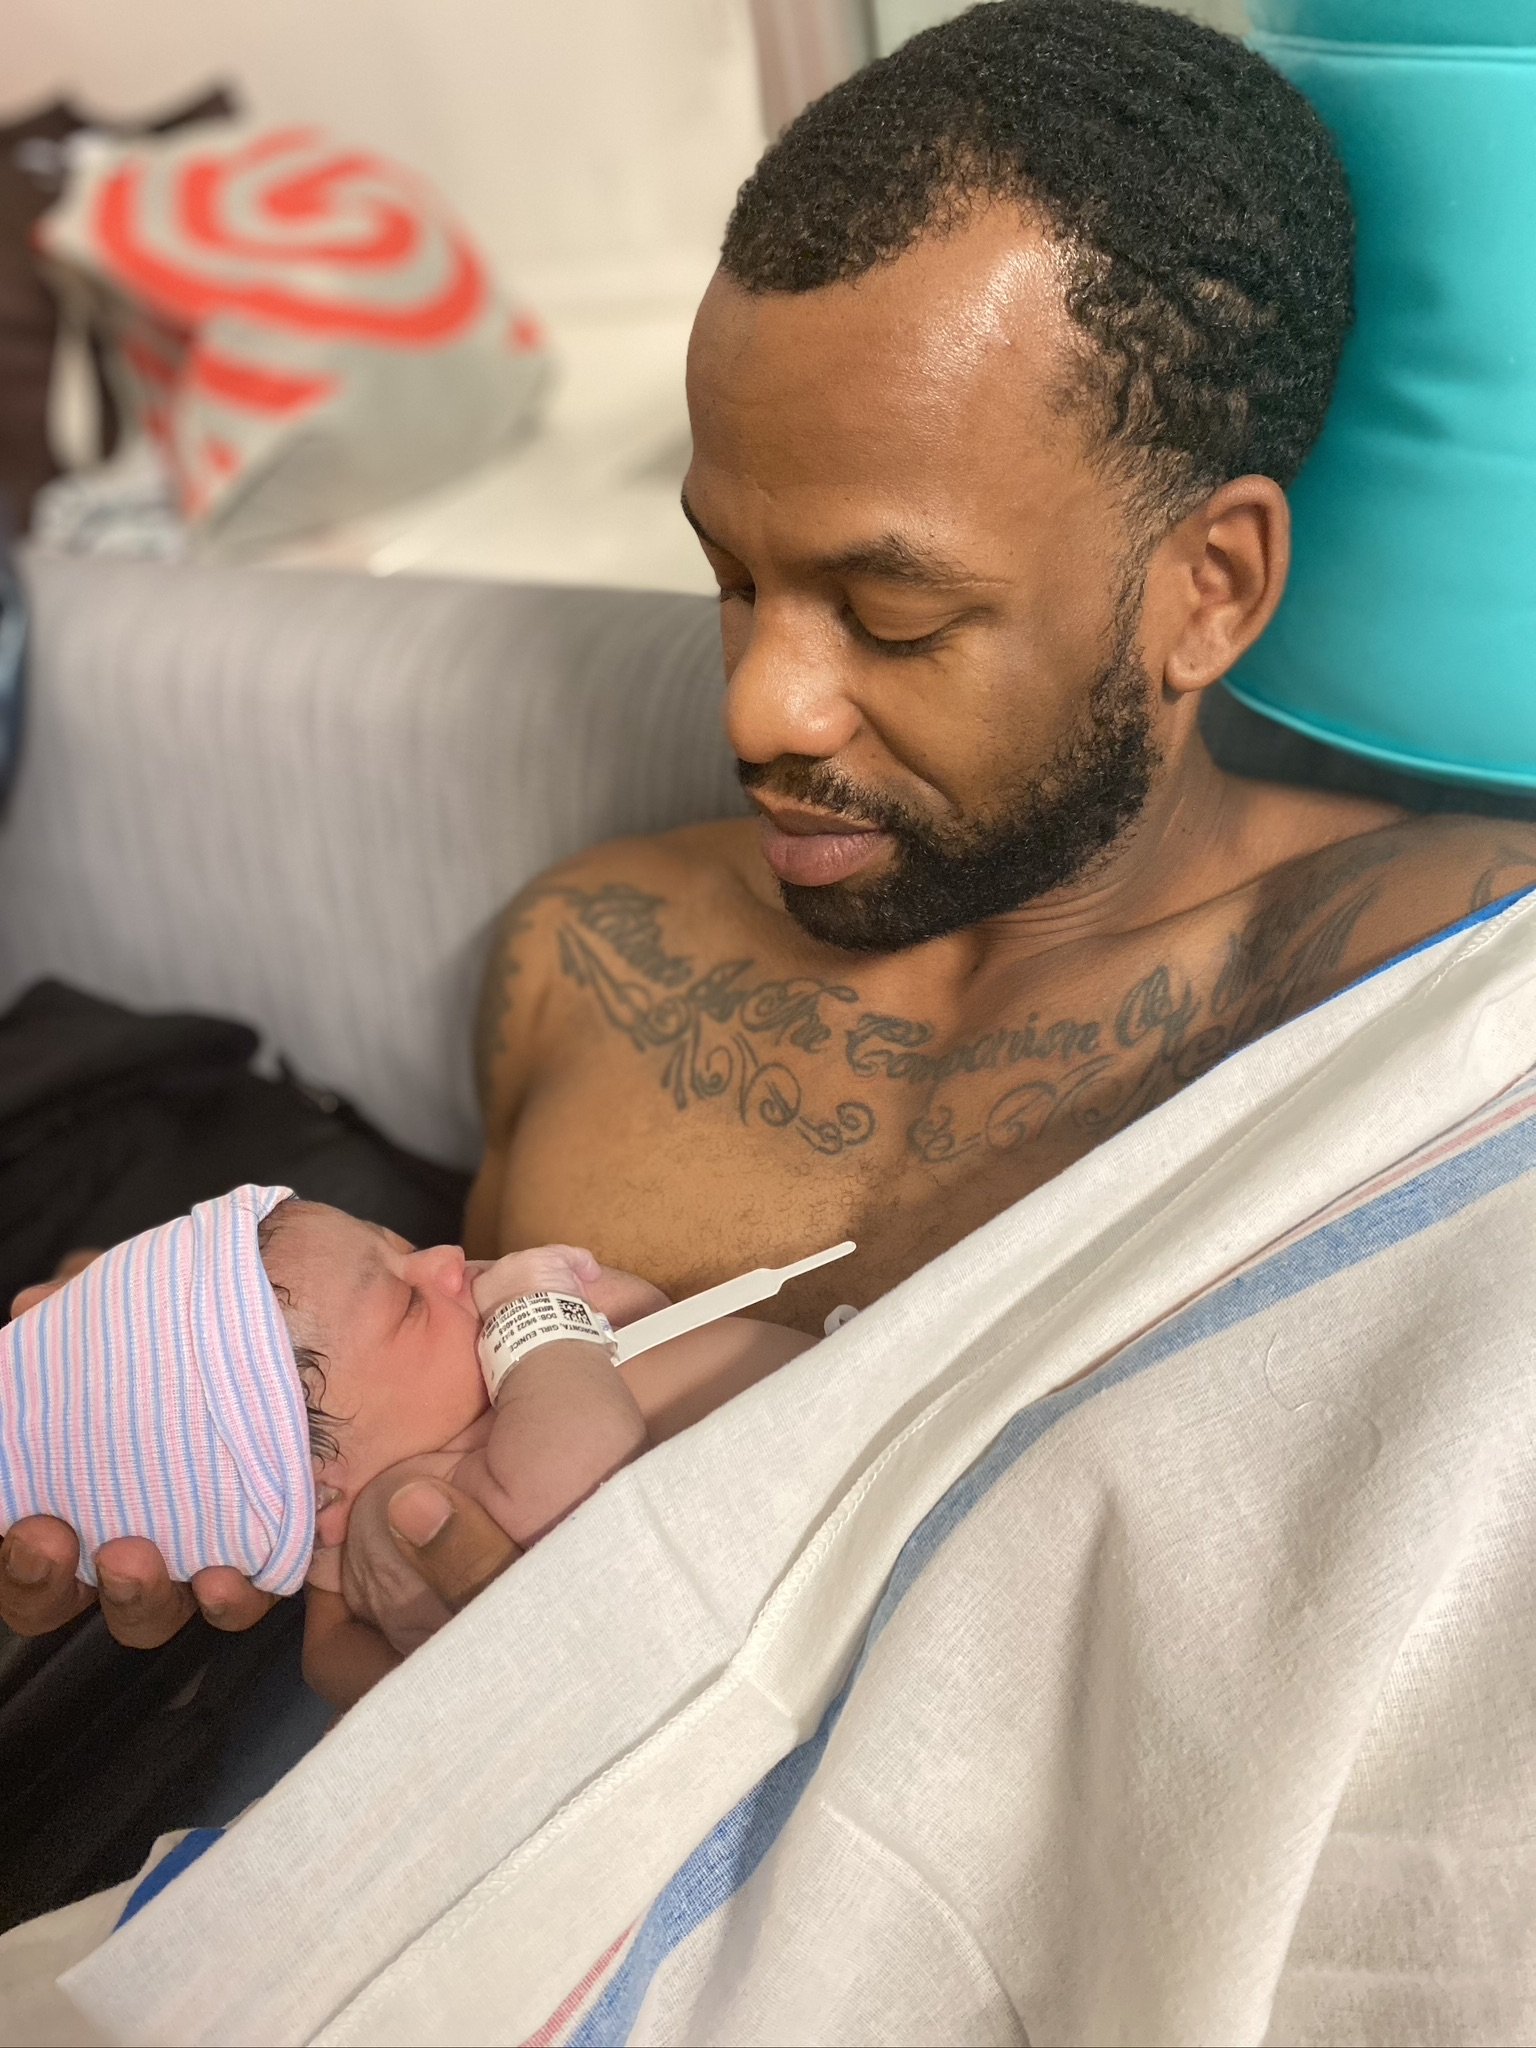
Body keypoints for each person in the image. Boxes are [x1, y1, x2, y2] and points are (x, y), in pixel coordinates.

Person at [7, 0, 1536, 1693]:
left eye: (890, 612)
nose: (762, 711)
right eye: (731, 578)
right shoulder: (585, 954)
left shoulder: (1442, 982)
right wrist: (163, 1384)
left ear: (1210, 590)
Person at [1, 1188, 811, 1708]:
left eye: (393, 1238)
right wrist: (536, 1316)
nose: (445, 1261)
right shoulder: (411, 1501)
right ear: (322, 1499)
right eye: (405, 1305)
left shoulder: (462, 1412)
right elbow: (576, 1471)